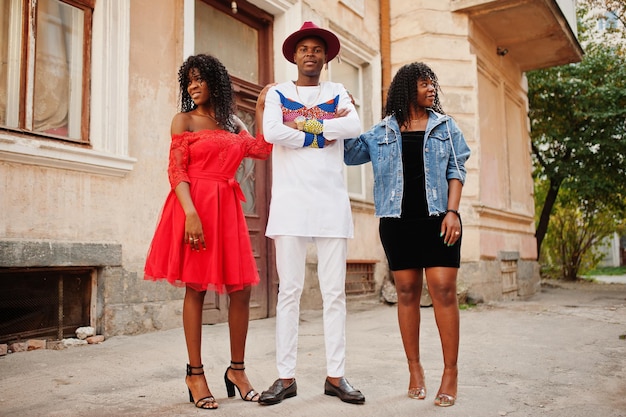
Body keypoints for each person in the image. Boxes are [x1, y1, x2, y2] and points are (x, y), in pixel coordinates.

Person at [144, 54, 273, 410]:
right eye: (189, 80)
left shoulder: (233, 124)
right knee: (196, 288)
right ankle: (195, 373)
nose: (194, 85)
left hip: (227, 210)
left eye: (200, 78)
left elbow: (261, 150)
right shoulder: (183, 120)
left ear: (216, 81)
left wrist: (261, 107)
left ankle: (237, 370)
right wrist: (190, 213)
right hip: (194, 207)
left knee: (242, 290)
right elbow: (176, 171)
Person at [344, 62, 471, 407]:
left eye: (433, 83)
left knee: (443, 289)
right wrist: (345, 113)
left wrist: (453, 212)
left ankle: (450, 372)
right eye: (424, 84)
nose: (432, 89)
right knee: (406, 292)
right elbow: (348, 152)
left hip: (438, 219)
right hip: (398, 222)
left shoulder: (445, 127)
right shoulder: (383, 131)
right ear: (406, 89)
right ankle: (415, 370)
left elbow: (457, 170)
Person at [257, 21, 365, 406]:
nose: (310, 54)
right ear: (294, 54)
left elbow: (353, 126)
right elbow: (272, 132)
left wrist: (299, 123)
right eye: (303, 48)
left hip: (332, 204)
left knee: (334, 293)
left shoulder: (337, 91)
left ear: (325, 56)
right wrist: (321, 131)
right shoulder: (278, 93)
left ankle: (335, 376)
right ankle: (286, 378)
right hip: (289, 205)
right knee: (290, 292)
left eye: (317, 49)